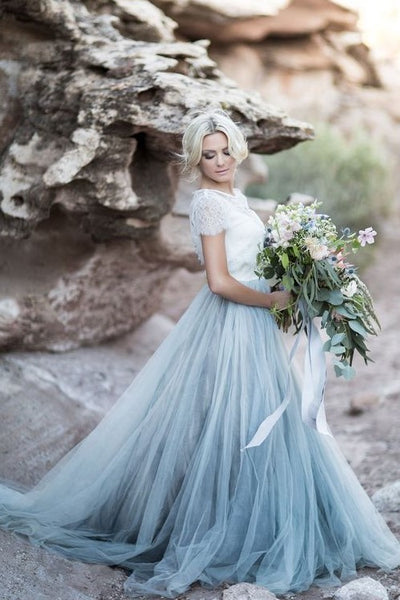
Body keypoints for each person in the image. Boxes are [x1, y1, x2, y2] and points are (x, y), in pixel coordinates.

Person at [0, 109, 399, 599]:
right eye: (208, 154)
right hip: (230, 323)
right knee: (237, 425)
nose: (219, 160)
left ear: (237, 147)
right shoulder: (209, 203)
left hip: (254, 322)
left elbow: (250, 260)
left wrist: (296, 281)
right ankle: (227, 533)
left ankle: (271, 525)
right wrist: (272, 299)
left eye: (225, 149)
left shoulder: (236, 196)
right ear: (196, 160)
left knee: (269, 421)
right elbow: (218, 280)